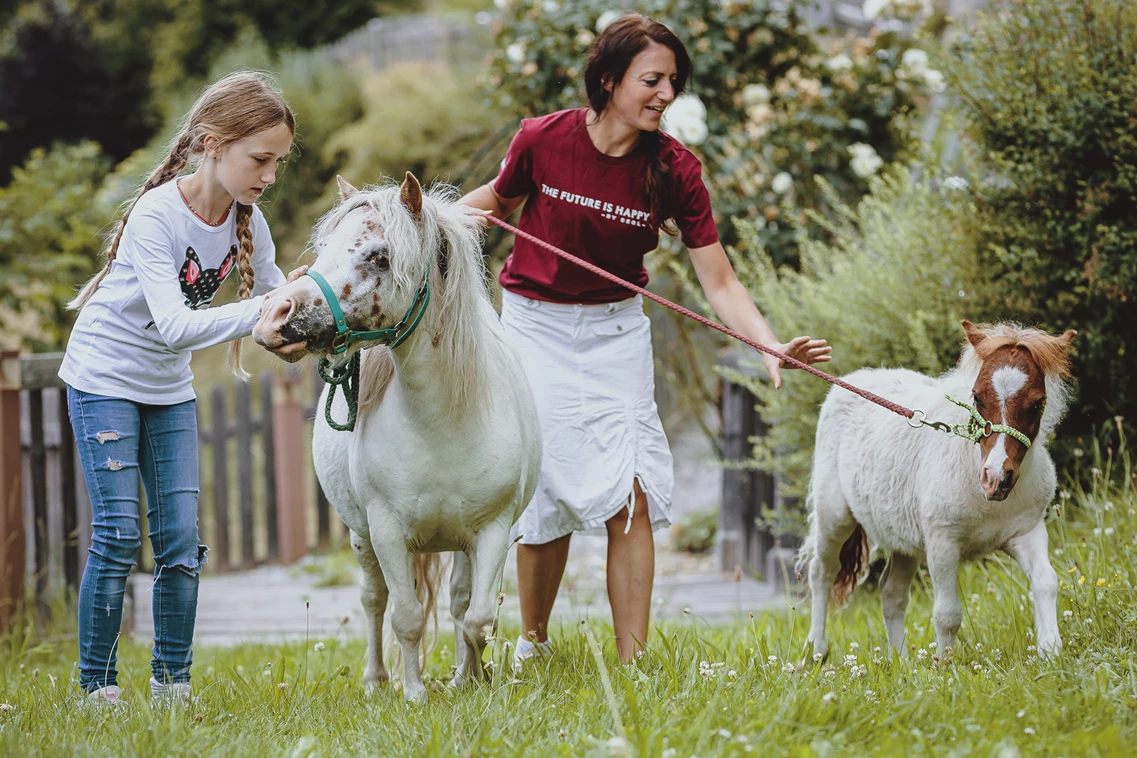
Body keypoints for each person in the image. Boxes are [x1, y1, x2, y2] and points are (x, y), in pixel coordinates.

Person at [461, 14, 832, 665]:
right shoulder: (541, 139)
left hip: (614, 332)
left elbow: (719, 283)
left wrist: (766, 346)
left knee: (629, 487)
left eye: (672, 83)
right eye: (652, 80)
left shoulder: (674, 169)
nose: (665, 94)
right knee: (542, 486)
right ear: (608, 79)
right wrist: (406, 226)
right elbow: (488, 203)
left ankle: (632, 664)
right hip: (533, 325)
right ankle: (534, 644)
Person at [59, 71, 305, 704]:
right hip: (104, 378)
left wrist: (308, 317)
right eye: (260, 159)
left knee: (179, 542)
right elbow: (174, 326)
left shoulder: (250, 221)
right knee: (117, 533)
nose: (269, 176)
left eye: (276, 162)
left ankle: (173, 687)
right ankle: (98, 692)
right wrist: (264, 312)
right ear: (212, 142)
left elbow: (278, 311)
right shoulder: (157, 214)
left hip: (168, 390)